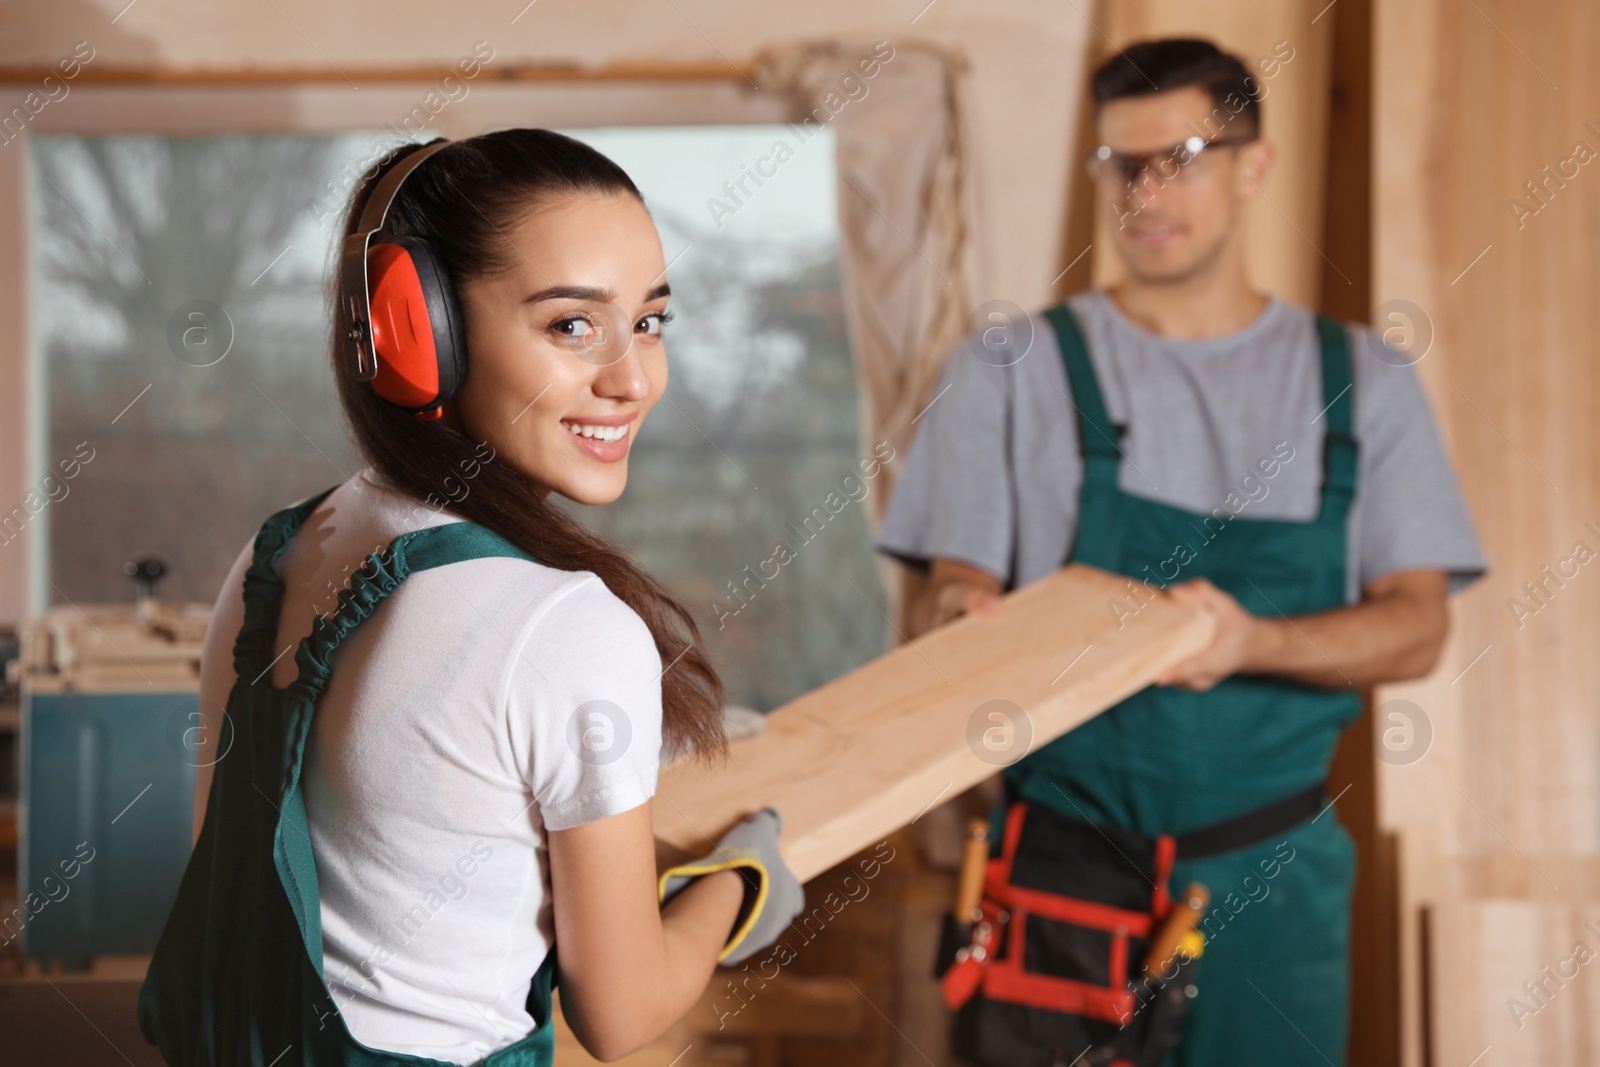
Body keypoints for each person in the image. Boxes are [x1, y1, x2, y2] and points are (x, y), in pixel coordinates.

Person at [138, 129, 802, 1066]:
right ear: (422, 337)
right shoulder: (564, 628)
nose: (633, 379)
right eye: (573, 325)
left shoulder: (274, 556)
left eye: (649, 321)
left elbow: (255, 901)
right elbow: (620, 1013)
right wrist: (741, 884)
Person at [879, 39, 1485, 1067]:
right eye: (1120, 164)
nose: (1144, 191)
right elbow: (951, 591)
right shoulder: (1005, 370)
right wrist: (962, 619)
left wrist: (1250, 639)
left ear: (1255, 166)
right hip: (1058, 875)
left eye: (1182, 156)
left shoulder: (1364, 382)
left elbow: (1418, 626)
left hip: (1274, 891)